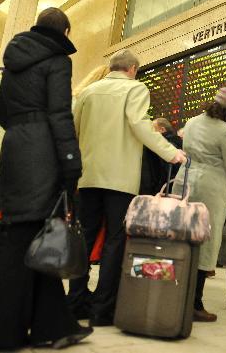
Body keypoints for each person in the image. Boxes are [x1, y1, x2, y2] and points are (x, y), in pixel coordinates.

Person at [0, 8, 91, 350]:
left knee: (32, 235)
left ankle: (52, 325)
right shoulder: (58, 59)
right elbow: (59, 113)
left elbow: (1, 113)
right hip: (41, 153)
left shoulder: (14, 58)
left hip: (13, 148)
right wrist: (71, 160)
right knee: (25, 240)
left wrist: (23, 129)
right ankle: (1, 334)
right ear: (65, 31)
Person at [72, 49, 186, 326]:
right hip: (120, 179)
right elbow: (140, 126)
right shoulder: (135, 89)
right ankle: (102, 308)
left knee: (84, 238)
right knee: (115, 240)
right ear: (133, 68)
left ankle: (75, 300)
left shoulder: (88, 92)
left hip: (87, 177)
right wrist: (171, 152)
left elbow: (73, 129)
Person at [172, 86, 226, 322]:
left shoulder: (193, 121)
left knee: (180, 238)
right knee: (204, 242)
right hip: (210, 188)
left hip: (184, 180)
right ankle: (195, 303)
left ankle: (174, 296)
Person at [66, 64, 110, 320]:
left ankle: (76, 293)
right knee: (87, 234)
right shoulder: (95, 103)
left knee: (81, 232)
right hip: (94, 174)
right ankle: (81, 294)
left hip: (78, 175)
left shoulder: (78, 99)